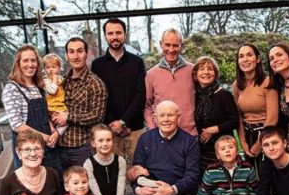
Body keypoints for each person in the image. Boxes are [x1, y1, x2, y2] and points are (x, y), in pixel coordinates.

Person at [91, 18, 146, 165]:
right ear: (105, 36)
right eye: (110, 33)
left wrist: (124, 121)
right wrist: (113, 123)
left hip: (135, 129)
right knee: (113, 176)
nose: (114, 37)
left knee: (139, 173)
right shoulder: (97, 65)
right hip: (109, 132)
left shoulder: (137, 62)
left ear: (125, 35)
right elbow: (98, 99)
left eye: (118, 33)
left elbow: (141, 95)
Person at [2, 44, 62, 176]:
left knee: (55, 184)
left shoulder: (38, 86)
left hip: (49, 148)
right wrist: (45, 138)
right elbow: (17, 125)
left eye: (33, 60)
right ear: (18, 63)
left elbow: (45, 116)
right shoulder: (12, 89)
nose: (30, 64)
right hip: (29, 151)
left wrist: (54, 133)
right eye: (26, 60)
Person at [51, 37, 107, 172]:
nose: (75, 56)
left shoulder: (95, 83)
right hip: (59, 147)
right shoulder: (61, 82)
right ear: (66, 55)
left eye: (79, 51)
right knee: (64, 190)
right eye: (71, 52)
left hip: (83, 147)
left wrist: (68, 117)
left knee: (86, 188)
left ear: (86, 54)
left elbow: (98, 116)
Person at [233, 44, 278, 171]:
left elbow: (273, 119)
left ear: (257, 59)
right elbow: (239, 117)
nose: (245, 59)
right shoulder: (237, 85)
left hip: (267, 136)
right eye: (241, 56)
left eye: (249, 55)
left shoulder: (268, 82)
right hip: (248, 136)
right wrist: (242, 143)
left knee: (266, 175)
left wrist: (259, 145)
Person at [144, 28, 197, 137]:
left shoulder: (193, 71)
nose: (171, 49)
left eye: (175, 45)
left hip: (191, 135)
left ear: (181, 46)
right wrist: (154, 130)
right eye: (167, 45)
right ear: (161, 44)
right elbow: (147, 106)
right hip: (163, 136)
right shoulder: (151, 75)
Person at [192, 56, 239, 173]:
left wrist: (213, 129)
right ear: (195, 75)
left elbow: (234, 121)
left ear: (215, 74)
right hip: (202, 150)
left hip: (223, 148)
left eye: (210, 69)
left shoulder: (224, 95)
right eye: (202, 69)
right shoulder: (195, 97)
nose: (206, 72)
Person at [43, 53, 68, 136]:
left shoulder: (60, 78)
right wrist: (54, 79)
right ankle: (54, 134)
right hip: (53, 106)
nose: (51, 70)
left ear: (59, 67)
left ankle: (58, 134)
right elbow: (52, 91)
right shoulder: (46, 80)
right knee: (55, 120)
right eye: (48, 67)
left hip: (61, 104)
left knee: (67, 119)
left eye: (53, 67)